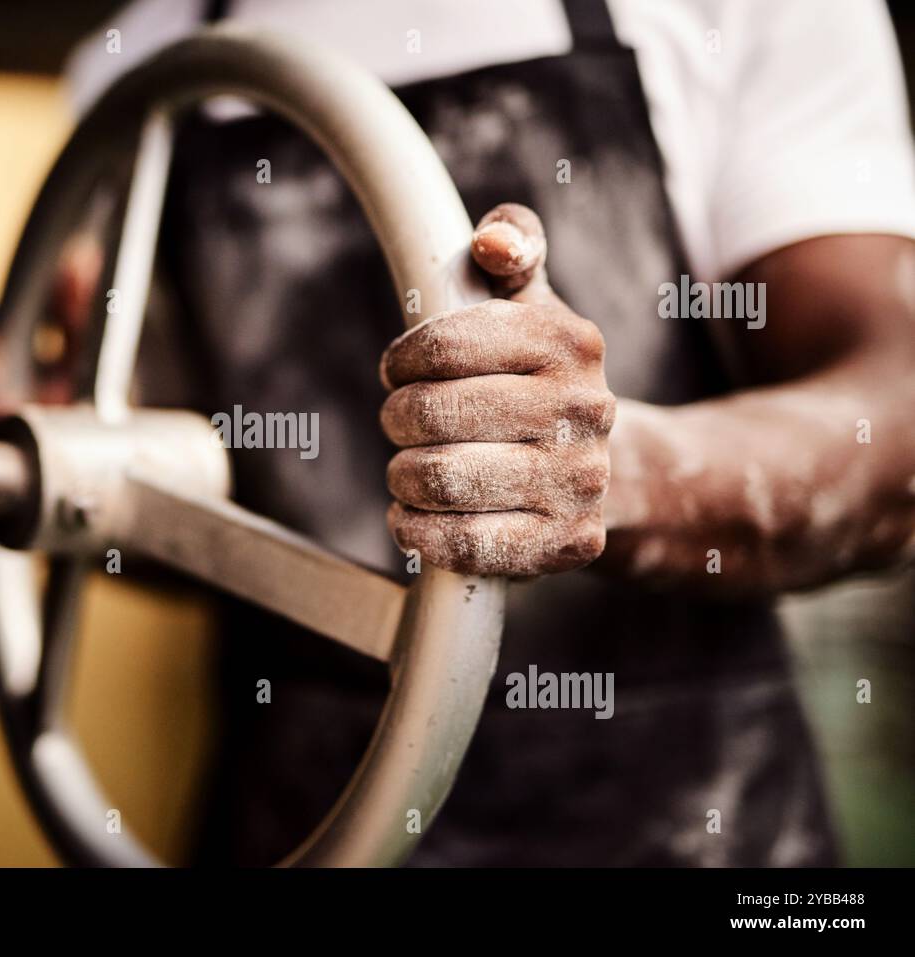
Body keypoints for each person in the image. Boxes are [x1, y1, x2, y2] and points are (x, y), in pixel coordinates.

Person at [54, 0, 915, 865]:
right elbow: (185, 506)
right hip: (301, 817)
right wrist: (68, 468)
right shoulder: (140, 67)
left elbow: (893, 423)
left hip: (694, 825)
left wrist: (614, 473)